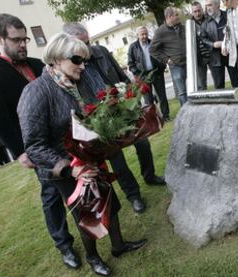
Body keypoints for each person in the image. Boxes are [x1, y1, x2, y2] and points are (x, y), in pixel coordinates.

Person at [17, 32, 146, 276]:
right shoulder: (35, 91)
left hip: (89, 156)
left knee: (109, 200)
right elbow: (34, 145)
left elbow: (89, 118)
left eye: (84, 60)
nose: (83, 65)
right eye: (77, 60)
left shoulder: (76, 82)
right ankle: (93, 257)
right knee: (86, 212)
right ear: (56, 59)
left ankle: (118, 245)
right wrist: (71, 167)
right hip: (64, 167)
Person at [0, 14, 77, 269]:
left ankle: (94, 227)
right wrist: (20, 152)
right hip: (36, 147)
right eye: (17, 40)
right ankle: (64, 245)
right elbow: (0, 118)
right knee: (52, 193)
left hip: (65, 139)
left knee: (78, 182)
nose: (23, 44)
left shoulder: (38, 63)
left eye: (25, 39)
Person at [62, 22, 166, 215]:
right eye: (82, 44)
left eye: (88, 41)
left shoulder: (100, 51)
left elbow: (120, 75)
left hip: (122, 107)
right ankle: (133, 195)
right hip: (100, 119)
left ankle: (150, 176)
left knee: (142, 143)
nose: (88, 48)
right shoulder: (70, 64)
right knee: (117, 160)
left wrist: (131, 95)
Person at [128, 26, 171, 121]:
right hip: (143, 77)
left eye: (146, 34)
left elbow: (162, 57)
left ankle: (166, 116)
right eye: (142, 34)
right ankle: (155, 119)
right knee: (148, 100)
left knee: (162, 96)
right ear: (137, 35)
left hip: (156, 73)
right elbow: (130, 64)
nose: (144, 36)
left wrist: (161, 68)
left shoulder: (153, 43)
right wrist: (139, 74)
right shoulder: (133, 47)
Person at [150, 6, 188, 106]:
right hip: (176, 66)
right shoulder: (160, 32)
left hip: (188, 63)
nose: (178, 17)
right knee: (182, 92)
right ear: (169, 17)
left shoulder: (182, 27)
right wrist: (166, 60)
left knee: (194, 88)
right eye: (176, 15)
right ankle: (185, 113)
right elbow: (152, 50)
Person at [201, 0, 238, 89]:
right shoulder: (205, 23)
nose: (208, 8)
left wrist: (228, 43)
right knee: (219, 85)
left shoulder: (228, 16)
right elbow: (203, 39)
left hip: (230, 53)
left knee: (236, 80)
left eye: (210, 5)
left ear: (218, 5)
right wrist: (213, 44)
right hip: (215, 57)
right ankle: (222, 103)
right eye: (207, 6)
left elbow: (235, 31)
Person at [191, 1, 211, 91]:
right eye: (195, 11)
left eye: (199, 10)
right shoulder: (190, 24)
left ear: (202, 10)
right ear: (192, 12)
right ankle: (205, 104)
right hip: (199, 59)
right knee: (201, 85)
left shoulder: (209, 19)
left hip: (212, 55)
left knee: (219, 82)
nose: (197, 13)